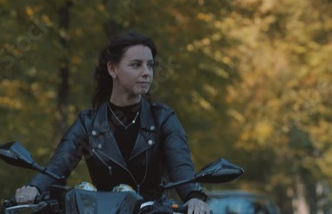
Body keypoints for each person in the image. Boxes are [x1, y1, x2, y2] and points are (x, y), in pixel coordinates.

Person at [15, 30, 211, 214]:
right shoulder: (88, 123)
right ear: (112, 68)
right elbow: (59, 164)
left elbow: (181, 168)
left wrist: (194, 196)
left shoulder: (163, 118)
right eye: (136, 64)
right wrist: (34, 187)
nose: (147, 72)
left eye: (150, 65)